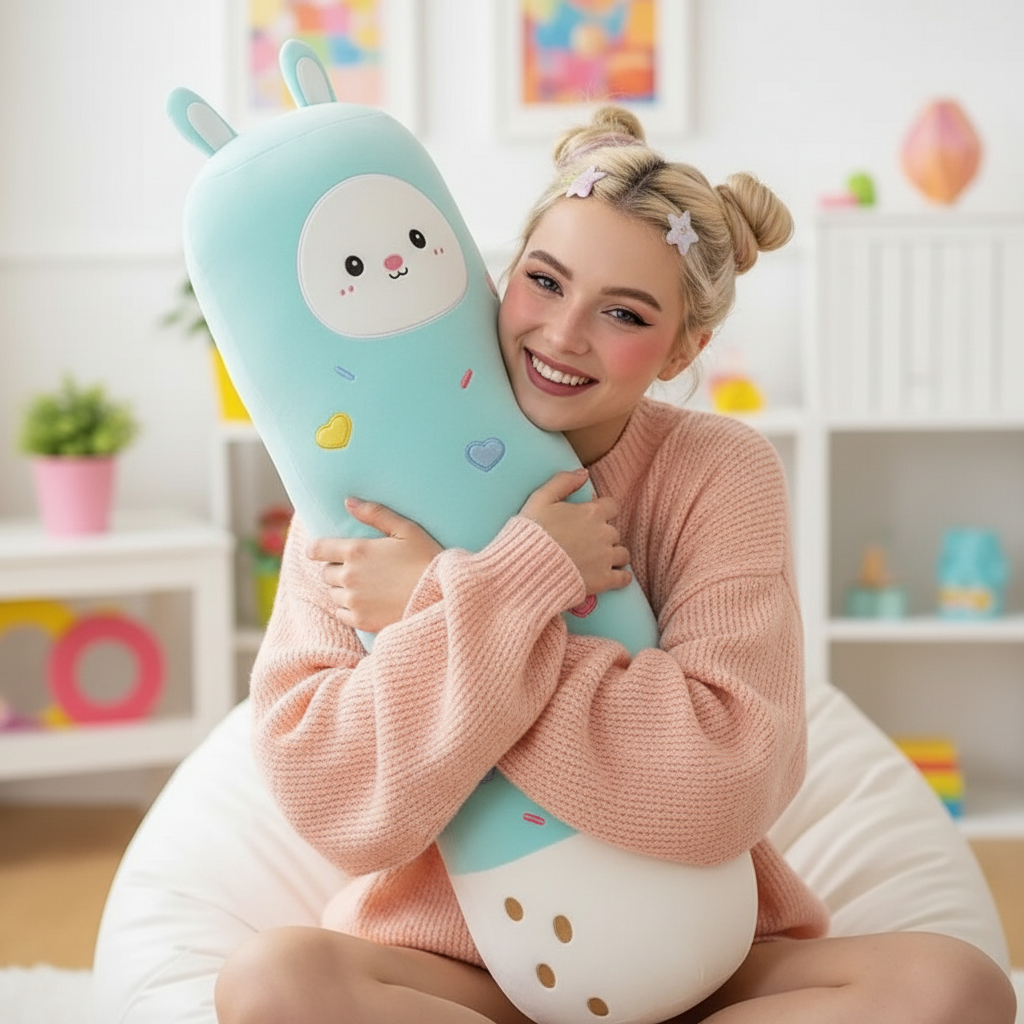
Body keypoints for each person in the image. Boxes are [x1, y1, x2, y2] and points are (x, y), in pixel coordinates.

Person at [214, 107, 1015, 1024]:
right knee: (270, 985)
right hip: (455, 969)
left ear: (684, 347)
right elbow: (338, 801)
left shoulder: (719, 469)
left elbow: (728, 771)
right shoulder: (356, 479)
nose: (562, 334)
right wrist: (517, 583)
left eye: (624, 313)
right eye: (544, 282)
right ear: (501, 277)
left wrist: (449, 600)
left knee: (956, 992)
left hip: (702, 959)